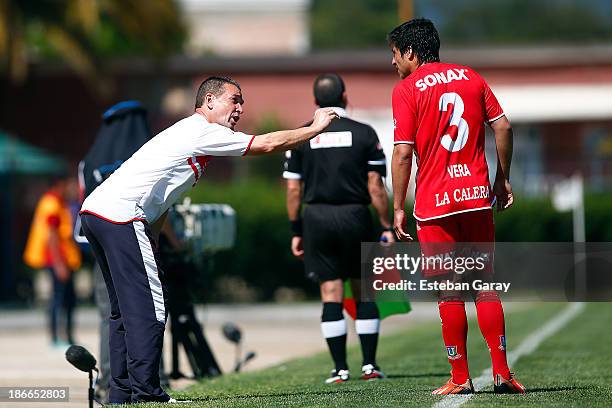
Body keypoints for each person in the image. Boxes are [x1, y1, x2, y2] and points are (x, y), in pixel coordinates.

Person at [79, 76, 338, 404]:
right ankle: (146, 393)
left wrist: (154, 240)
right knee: (151, 308)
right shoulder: (204, 130)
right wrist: (315, 128)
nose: (240, 108)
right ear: (209, 102)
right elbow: (267, 144)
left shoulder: (188, 131)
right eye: (235, 100)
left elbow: (161, 197)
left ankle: (121, 394)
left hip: (96, 213)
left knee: (122, 311)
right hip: (120, 216)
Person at [388, 19, 525, 395]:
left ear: (411, 53)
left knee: (448, 291)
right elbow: (504, 127)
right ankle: (502, 373)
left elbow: (402, 153)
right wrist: (502, 178)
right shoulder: (471, 76)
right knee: (484, 286)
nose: (394, 63)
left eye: (395, 55)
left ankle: (461, 378)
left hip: (435, 206)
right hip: (477, 197)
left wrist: (398, 206)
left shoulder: (406, 89)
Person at [284, 73, 394, 384]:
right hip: (356, 217)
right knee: (363, 292)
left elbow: (293, 191)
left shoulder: (302, 135)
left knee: (330, 292)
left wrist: (296, 229)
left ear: (316, 101)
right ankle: (370, 366)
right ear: (345, 97)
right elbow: (376, 187)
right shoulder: (364, 133)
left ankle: (339, 369)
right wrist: (386, 225)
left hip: (317, 219)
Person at [24, 176, 81, 347]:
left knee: (68, 299)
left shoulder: (58, 202)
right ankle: (56, 338)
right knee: (59, 299)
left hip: (64, 259)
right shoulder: (52, 204)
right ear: (60, 184)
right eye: (71, 186)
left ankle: (67, 337)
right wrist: (59, 265)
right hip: (57, 260)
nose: (74, 191)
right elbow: (52, 236)